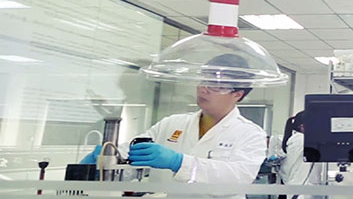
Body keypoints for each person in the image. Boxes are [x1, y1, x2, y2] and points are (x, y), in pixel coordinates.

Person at [80, 54, 267, 184]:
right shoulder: (171, 123)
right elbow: (132, 154)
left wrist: (178, 162)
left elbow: (238, 177)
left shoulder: (250, 134)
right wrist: (108, 158)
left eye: (216, 86)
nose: (204, 89)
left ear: (237, 94)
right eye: (204, 80)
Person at [279, 110, 324, 186]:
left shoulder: (299, 140)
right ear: (302, 127)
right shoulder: (301, 140)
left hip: (300, 186)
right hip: (300, 188)